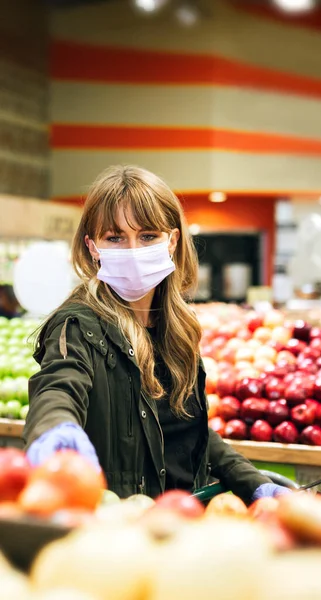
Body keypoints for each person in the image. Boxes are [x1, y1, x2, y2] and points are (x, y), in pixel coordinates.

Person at [23, 165, 289, 502]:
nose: (133, 250)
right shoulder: (77, 326)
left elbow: (187, 428)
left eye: (148, 236)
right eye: (115, 237)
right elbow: (58, 388)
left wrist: (252, 482)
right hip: (118, 525)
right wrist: (55, 428)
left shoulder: (178, 328)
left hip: (183, 520)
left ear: (172, 240)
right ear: (93, 247)